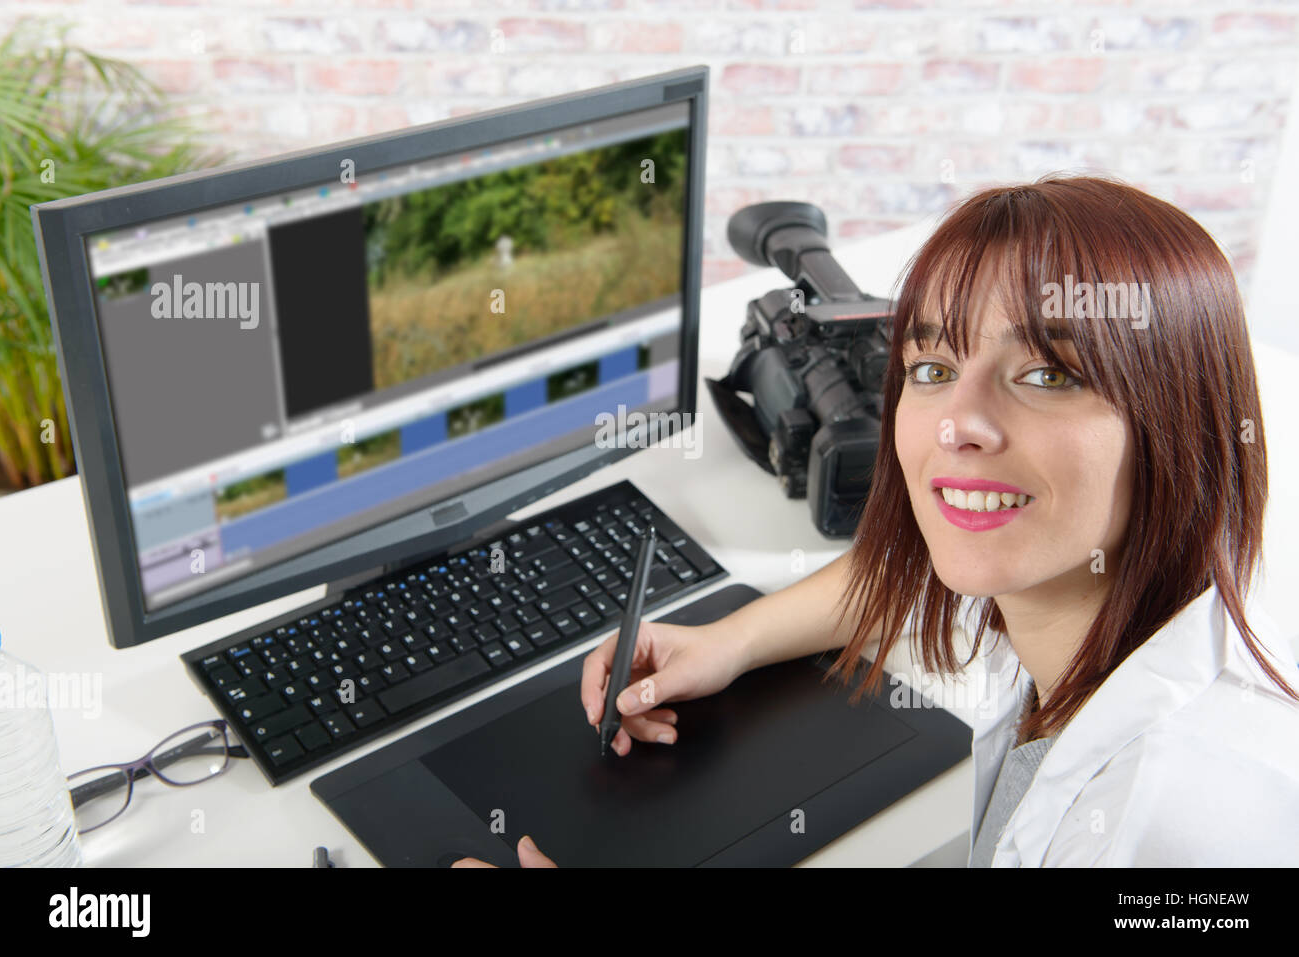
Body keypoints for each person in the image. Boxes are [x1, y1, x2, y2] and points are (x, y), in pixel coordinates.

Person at [452, 174, 1299, 868]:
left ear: (1179, 423)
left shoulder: (1181, 823)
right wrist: (731, 639)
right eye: (932, 365)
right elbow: (917, 558)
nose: (954, 422)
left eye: (1047, 375)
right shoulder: (1099, 573)